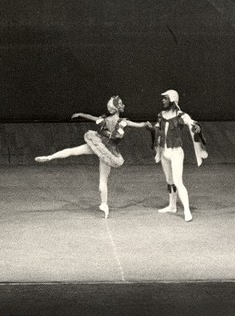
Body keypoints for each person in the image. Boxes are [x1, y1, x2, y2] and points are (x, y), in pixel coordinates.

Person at [35, 96, 151, 219]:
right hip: (108, 152)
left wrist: (80, 114)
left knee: (72, 151)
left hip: (97, 144)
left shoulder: (105, 119)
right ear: (118, 108)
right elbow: (140, 124)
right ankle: (104, 205)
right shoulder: (123, 121)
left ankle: (50, 157)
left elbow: (91, 117)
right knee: (103, 180)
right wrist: (147, 124)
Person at [148, 89, 208, 222]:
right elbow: (157, 130)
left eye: (165, 98)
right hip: (164, 152)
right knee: (169, 181)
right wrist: (151, 130)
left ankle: (187, 210)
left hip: (176, 153)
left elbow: (193, 124)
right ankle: (172, 205)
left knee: (178, 181)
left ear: (172, 100)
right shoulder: (161, 115)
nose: (163, 100)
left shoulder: (181, 115)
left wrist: (196, 128)